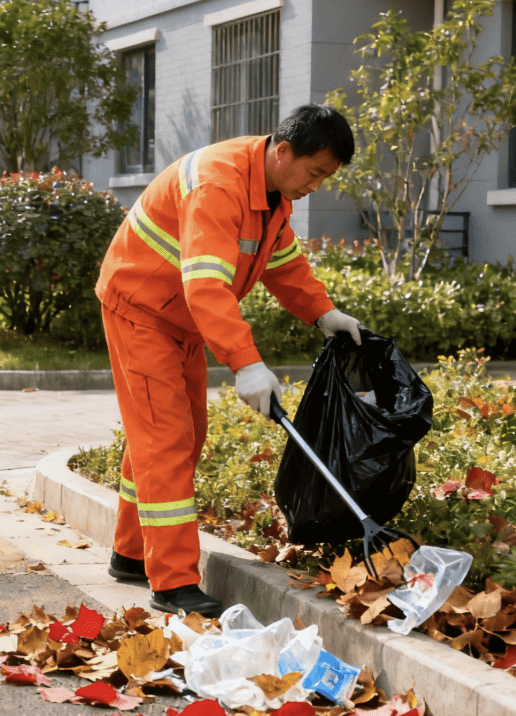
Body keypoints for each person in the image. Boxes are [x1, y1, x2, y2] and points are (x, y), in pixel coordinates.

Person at [95, 104, 364, 617]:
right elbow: (205, 284)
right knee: (165, 440)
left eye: (327, 177)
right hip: (143, 309)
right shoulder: (217, 185)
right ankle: (172, 582)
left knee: (179, 435)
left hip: (180, 318)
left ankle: (131, 554)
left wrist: (324, 313)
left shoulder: (271, 190)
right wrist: (246, 363)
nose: (317, 185)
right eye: (315, 173)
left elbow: (282, 262)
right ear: (284, 152)